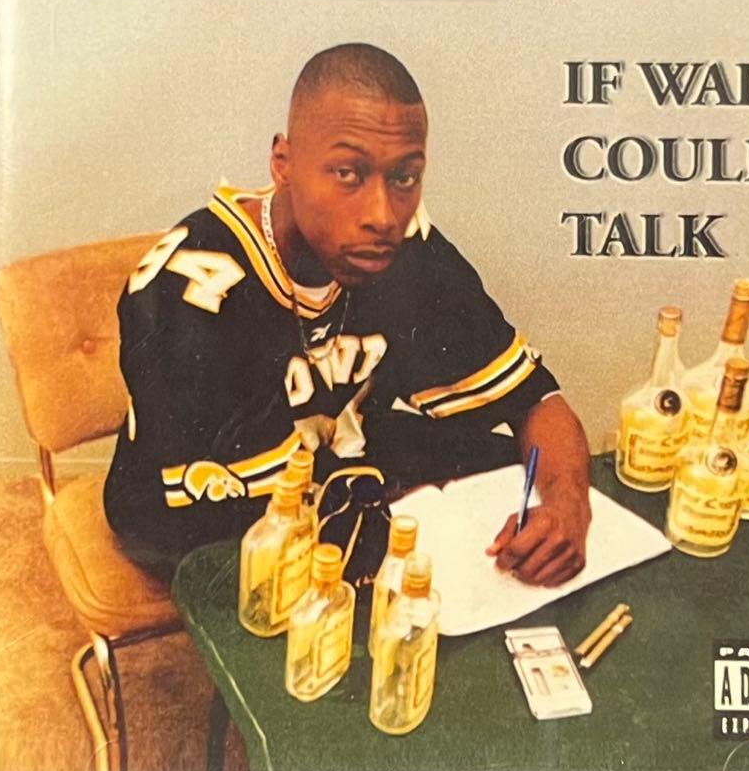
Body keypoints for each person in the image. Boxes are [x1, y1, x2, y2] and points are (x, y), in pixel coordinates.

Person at [104, 43, 592, 587]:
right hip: (195, 509)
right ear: (283, 164)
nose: (382, 215)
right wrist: (394, 511)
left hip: (342, 457)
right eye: (347, 173)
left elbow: (537, 402)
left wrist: (568, 506)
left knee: (509, 472)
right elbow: (231, 510)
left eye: (403, 178)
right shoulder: (192, 293)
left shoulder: (406, 252)